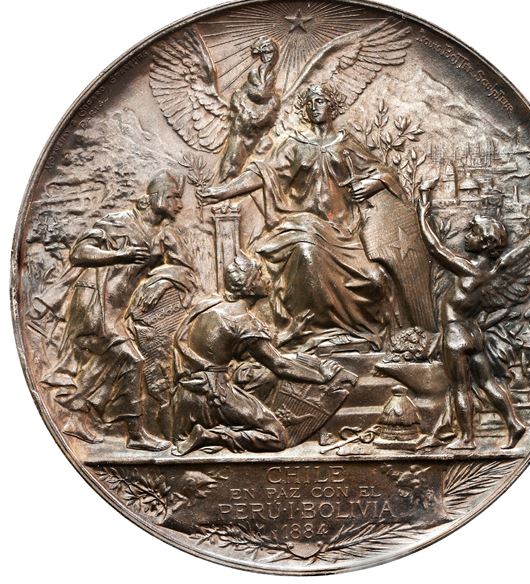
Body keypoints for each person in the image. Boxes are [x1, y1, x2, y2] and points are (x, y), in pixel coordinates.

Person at [199, 83, 434, 351]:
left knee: (373, 279)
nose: (314, 107)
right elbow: (262, 173)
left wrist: (373, 183)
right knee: (307, 254)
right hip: (303, 225)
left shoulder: (346, 143)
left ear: (332, 106)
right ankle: (311, 335)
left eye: (320, 101)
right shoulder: (295, 145)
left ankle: (359, 338)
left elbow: (385, 172)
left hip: (343, 233)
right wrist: (221, 192)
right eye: (309, 103)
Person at [43, 171, 185, 450]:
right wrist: (121, 255)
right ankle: (134, 434)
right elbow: (79, 253)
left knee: (114, 361)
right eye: (173, 197)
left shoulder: (161, 235)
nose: (179, 205)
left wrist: (163, 279)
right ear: (156, 197)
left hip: (117, 307)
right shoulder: (119, 222)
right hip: (94, 300)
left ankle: (77, 413)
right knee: (129, 358)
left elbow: (181, 268)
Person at [171, 252, 353, 455]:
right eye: (260, 275)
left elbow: (238, 348)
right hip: (213, 397)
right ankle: (210, 436)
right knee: (277, 437)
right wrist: (321, 376)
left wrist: (289, 333)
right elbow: (279, 365)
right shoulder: (243, 322)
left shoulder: (209, 305)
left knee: (261, 379)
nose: (267, 279)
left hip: (184, 397)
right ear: (249, 287)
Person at [417, 197, 527, 449]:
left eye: (473, 233)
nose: (466, 236)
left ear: (486, 243)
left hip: (456, 333)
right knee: (487, 382)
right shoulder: (492, 272)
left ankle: (466, 439)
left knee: (460, 387)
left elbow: (436, 249)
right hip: (474, 333)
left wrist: (422, 215)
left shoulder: (469, 269)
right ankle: (514, 423)